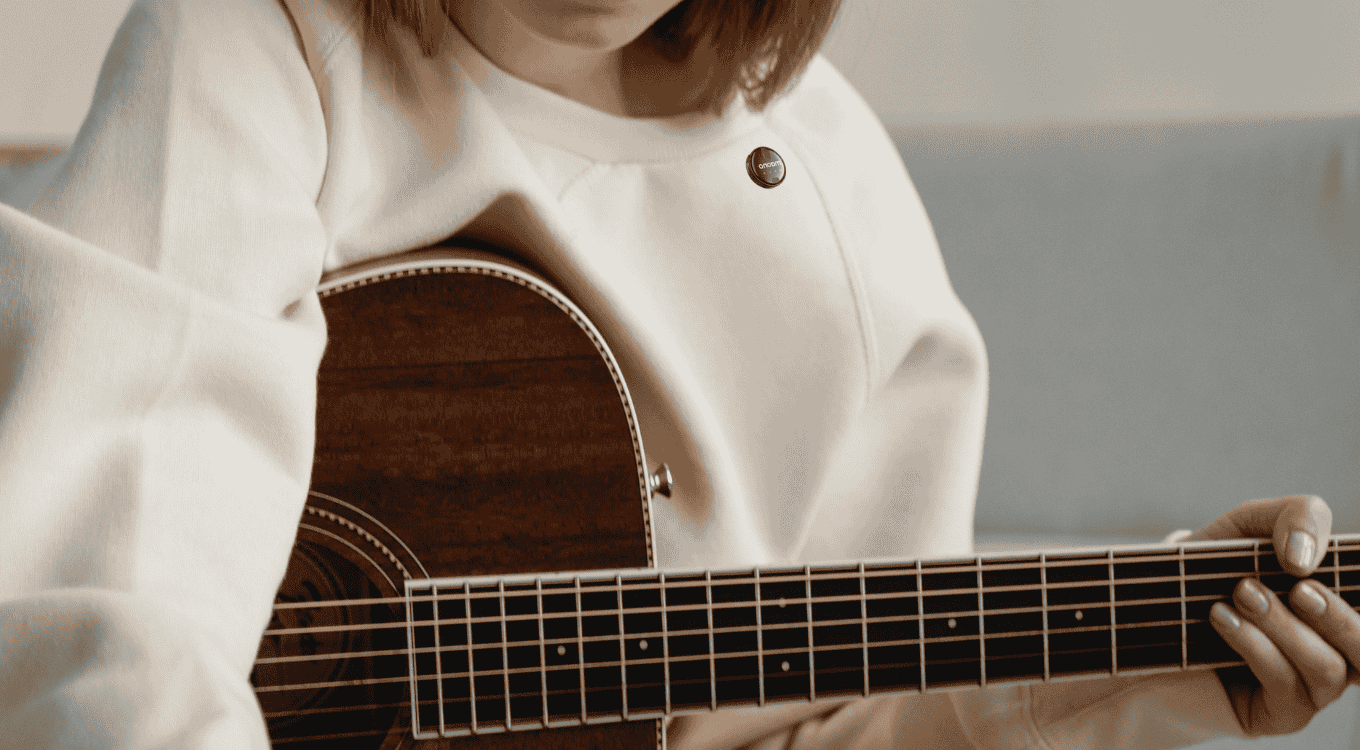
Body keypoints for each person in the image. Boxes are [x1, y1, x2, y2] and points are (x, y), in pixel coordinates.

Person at [0, 0, 1355, 747]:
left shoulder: (840, 208)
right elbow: (116, 545)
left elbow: (832, 712)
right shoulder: (264, 39)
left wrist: (1149, 671)